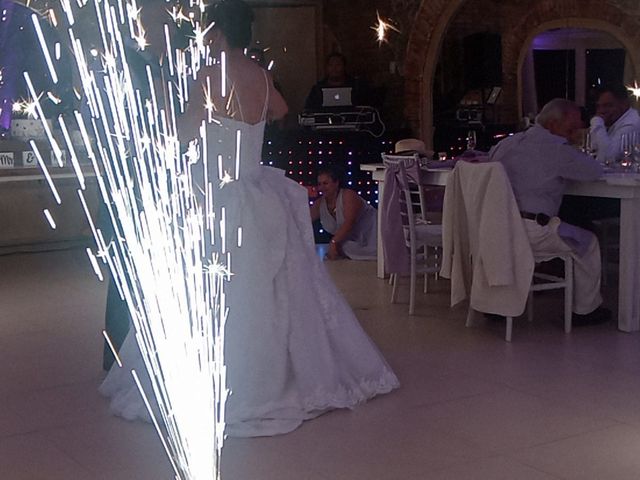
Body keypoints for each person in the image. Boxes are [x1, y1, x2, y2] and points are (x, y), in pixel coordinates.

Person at [101, 0, 399, 437]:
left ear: (218, 33)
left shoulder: (208, 75)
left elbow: (183, 134)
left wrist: (167, 109)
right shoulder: (261, 75)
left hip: (219, 196)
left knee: (219, 291)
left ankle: (227, 377)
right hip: (258, 192)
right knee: (268, 289)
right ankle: (273, 371)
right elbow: (279, 111)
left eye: (207, 31)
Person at [488, 98, 610, 326]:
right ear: (553, 125)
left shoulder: (506, 144)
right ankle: (586, 309)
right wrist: (573, 148)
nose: (574, 133)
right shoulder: (555, 148)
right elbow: (594, 170)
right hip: (531, 232)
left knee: (569, 222)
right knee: (588, 241)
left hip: (495, 227)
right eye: (571, 128)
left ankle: (494, 302)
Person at [310, 166, 377, 260]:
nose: (321, 187)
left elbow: (349, 223)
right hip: (354, 242)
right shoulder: (319, 204)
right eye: (319, 184)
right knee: (345, 247)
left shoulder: (348, 195)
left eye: (325, 183)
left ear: (336, 183)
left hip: (374, 234)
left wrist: (333, 242)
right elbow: (304, 219)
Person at [590, 84, 640, 164]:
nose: (601, 111)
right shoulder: (614, 122)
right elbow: (594, 150)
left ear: (624, 104)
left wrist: (597, 122)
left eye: (608, 106)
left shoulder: (631, 124)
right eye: (599, 107)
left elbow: (607, 158)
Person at [304, 52, 371, 110]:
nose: (334, 68)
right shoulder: (317, 89)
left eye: (338, 64)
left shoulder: (357, 87)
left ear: (344, 67)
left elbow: (366, 108)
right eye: (331, 65)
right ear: (327, 68)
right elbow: (309, 109)